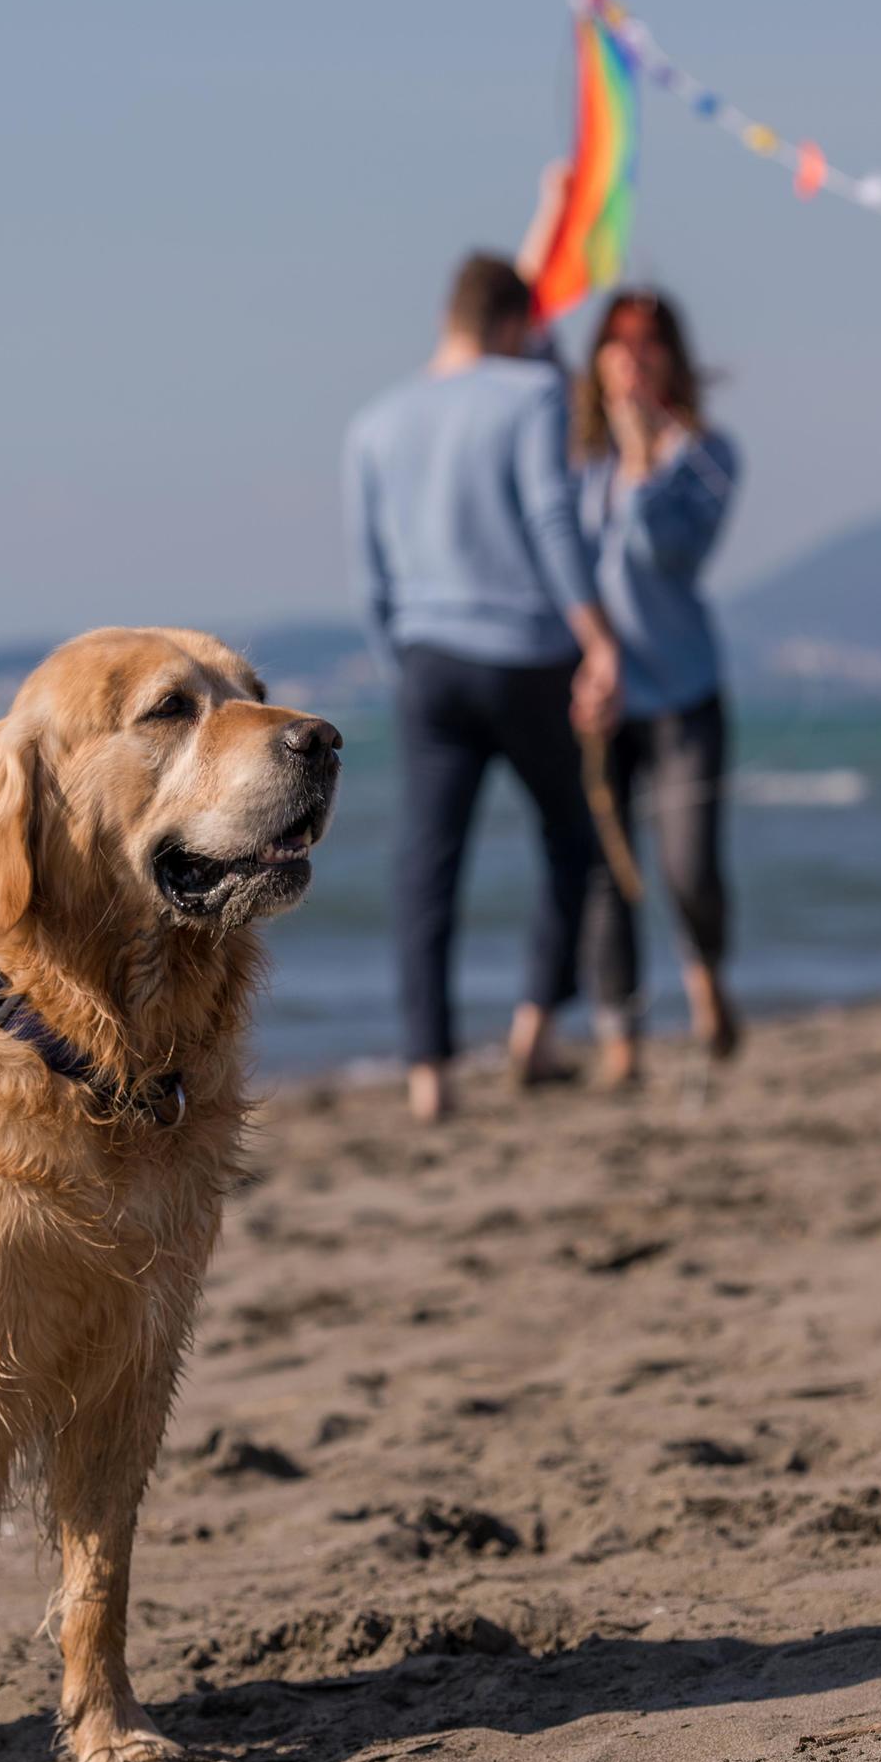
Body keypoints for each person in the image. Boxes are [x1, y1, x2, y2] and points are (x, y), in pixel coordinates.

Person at [344, 253, 622, 1124]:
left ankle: (428, 1071)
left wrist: (402, 660)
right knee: (571, 837)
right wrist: (596, 636)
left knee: (425, 867)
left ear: (446, 316)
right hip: (525, 651)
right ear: (515, 328)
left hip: (427, 659)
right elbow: (550, 517)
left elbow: (369, 573)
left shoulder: (373, 423)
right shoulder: (528, 396)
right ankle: (534, 1027)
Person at [571, 288, 744, 1087]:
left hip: (683, 693)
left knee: (688, 865)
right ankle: (620, 1036)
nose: (632, 358)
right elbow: (563, 576)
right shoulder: (578, 466)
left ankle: (705, 973)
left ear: (672, 356)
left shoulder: (706, 456)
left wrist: (641, 461)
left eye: (648, 343)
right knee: (608, 871)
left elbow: (666, 557)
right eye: (617, 342)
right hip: (607, 701)